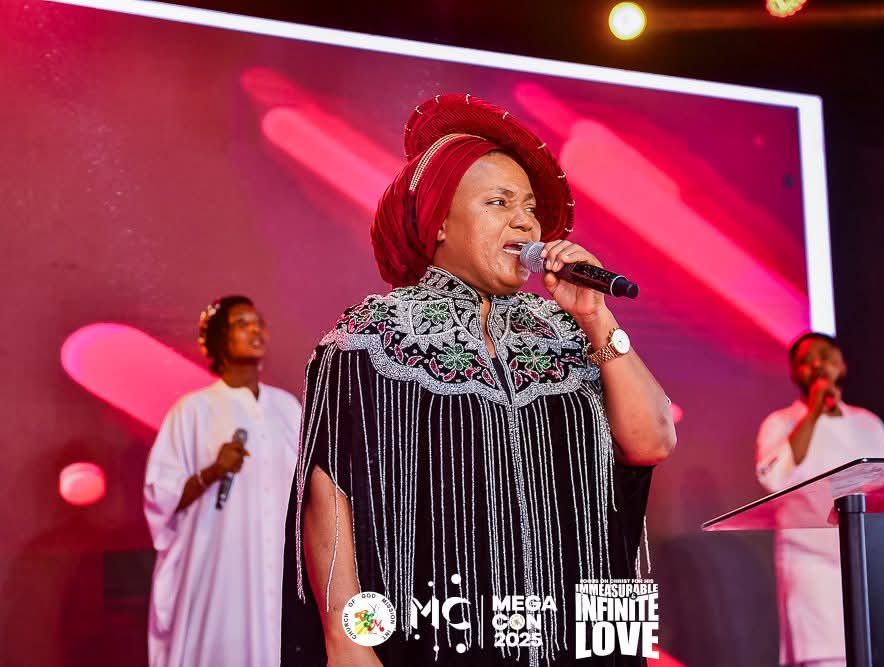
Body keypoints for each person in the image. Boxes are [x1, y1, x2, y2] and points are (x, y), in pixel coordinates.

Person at [280, 94, 677, 666]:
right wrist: (351, 643)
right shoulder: (369, 339)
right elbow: (332, 505)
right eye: (499, 202)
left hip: (579, 639)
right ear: (440, 221)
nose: (525, 221)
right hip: (445, 637)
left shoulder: (568, 332)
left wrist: (596, 317)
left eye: (530, 208)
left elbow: (653, 441)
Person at [144, 296, 301, 667]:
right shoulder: (192, 411)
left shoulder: (287, 407)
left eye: (258, 321)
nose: (255, 329)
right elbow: (161, 498)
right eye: (242, 323)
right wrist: (212, 471)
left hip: (278, 566)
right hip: (218, 570)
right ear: (218, 339)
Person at [756, 332, 884, 667]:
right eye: (806, 361)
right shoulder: (780, 423)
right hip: (811, 565)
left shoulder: (868, 423)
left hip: (866, 561)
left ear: (842, 364)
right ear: (795, 374)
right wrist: (814, 412)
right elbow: (773, 478)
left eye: (825, 355)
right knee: (825, 657)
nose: (817, 364)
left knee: (872, 651)